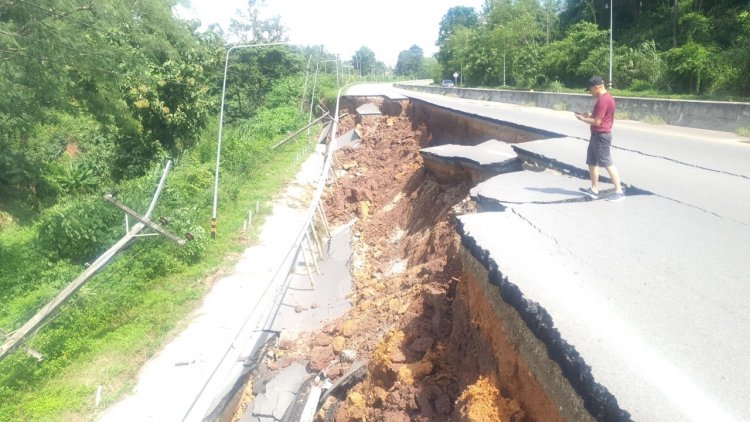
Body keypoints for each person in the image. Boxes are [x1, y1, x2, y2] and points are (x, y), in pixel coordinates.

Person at [575, 76, 625, 201]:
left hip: (601, 136)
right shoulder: (604, 98)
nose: (590, 92)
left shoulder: (604, 100)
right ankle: (594, 189)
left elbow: (597, 122)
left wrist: (583, 119)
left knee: (607, 163)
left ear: (596, 87)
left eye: (590, 89)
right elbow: (599, 117)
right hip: (596, 135)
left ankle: (619, 192)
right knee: (592, 162)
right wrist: (588, 115)